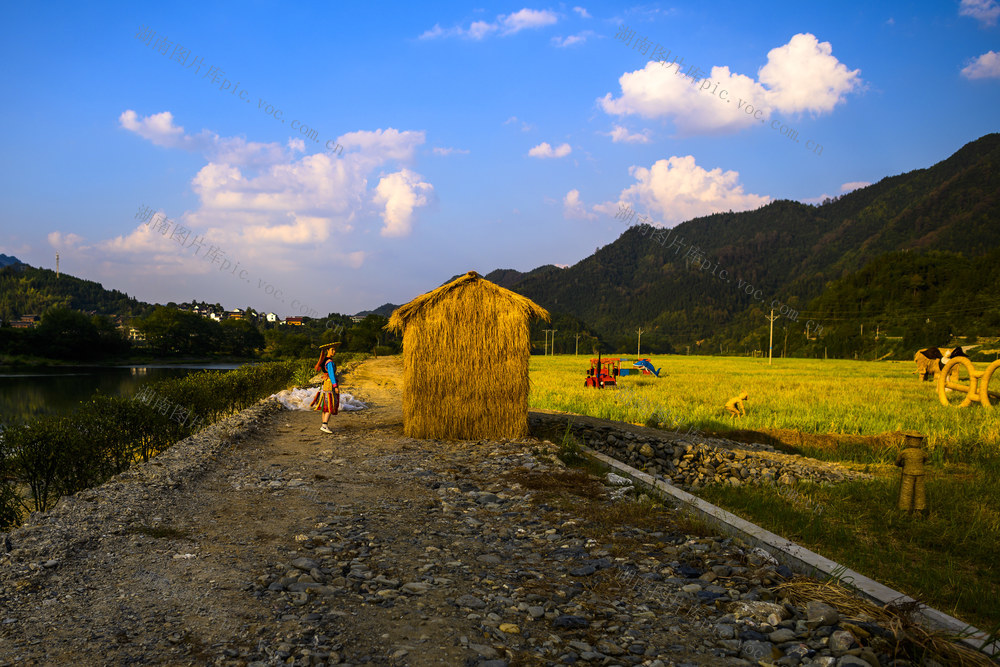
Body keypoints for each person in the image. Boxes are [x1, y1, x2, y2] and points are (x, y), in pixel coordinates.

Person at [896, 431, 928, 515]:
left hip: (907, 473)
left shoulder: (904, 452)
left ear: (908, 440)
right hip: (920, 473)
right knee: (919, 491)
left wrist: (901, 464)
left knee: (906, 491)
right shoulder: (922, 453)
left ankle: (905, 509)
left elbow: (897, 462)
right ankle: (919, 509)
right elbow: (925, 460)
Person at [310, 342, 340, 433]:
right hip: (329, 385)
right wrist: (335, 386)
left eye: (334, 350)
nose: (334, 352)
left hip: (324, 385)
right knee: (330, 404)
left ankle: (324, 424)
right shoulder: (330, 362)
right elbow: (331, 375)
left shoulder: (324, 361)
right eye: (332, 350)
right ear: (327, 351)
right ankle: (324, 425)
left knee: (325, 405)